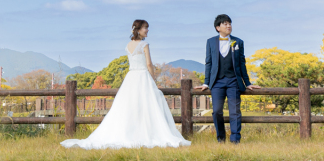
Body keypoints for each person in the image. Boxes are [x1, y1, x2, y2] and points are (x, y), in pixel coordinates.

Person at [61, 19, 191, 149]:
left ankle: (130, 133)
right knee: (146, 105)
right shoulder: (144, 44)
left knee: (129, 106)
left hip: (131, 77)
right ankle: (146, 133)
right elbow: (149, 64)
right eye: (145, 28)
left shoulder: (128, 45)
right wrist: (153, 79)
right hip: (143, 76)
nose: (147, 30)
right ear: (138, 30)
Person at [195, 14, 256, 143]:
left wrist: (248, 82)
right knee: (217, 111)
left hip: (234, 81)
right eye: (225, 24)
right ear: (218, 28)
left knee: (234, 111)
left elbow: (242, 63)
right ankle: (221, 138)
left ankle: (235, 139)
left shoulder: (238, 42)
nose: (229, 26)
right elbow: (208, 63)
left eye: (230, 23)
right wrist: (206, 83)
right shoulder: (210, 42)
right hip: (217, 82)